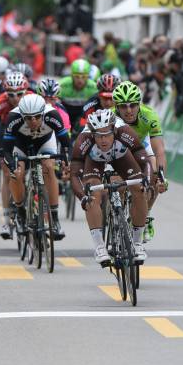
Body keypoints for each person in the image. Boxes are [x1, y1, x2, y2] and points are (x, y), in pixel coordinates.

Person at [70, 109, 150, 264]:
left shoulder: (124, 131)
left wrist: (146, 180)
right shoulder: (84, 139)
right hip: (94, 161)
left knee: (139, 189)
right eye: (99, 136)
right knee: (92, 195)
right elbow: (75, 174)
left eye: (107, 134)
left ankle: (137, 242)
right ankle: (100, 247)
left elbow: (144, 159)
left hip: (121, 157)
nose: (103, 140)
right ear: (92, 134)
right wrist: (83, 197)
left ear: (114, 130)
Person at [2, 94, 70, 239]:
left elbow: (66, 144)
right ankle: (20, 212)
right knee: (17, 173)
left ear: (43, 113)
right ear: (22, 115)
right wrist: (12, 166)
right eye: (28, 118)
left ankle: (55, 218)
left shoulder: (52, 114)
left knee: (49, 167)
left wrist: (66, 161)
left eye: (37, 117)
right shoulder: (13, 117)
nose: (33, 121)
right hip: (21, 144)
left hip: (45, 142)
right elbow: (6, 151)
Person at [111, 80, 167, 242]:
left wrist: (162, 176)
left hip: (142, 145)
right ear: (116, 107)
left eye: (133, 105)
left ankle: (146, 212)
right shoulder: (109, 117)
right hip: (117, 149)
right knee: (118, 185)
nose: (129, 110)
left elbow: (159, 150)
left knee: (154, 176)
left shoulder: (149, 115)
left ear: (139, 104)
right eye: (123, 106)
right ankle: (117, 218)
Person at [0, 72, 33, 239]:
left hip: (29, 134)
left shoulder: (33, 99)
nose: (15, 98)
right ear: (5, 93)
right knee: (8, 174)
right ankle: (7, 219)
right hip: (7, 135)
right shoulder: (0, 103)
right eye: (11, 95)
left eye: (19, 94)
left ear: (26, 91)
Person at [58, 59, 98, 132]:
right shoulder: (62, 85)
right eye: (77, 76)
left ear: (88, 76)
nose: (80, 80)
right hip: (66, 113)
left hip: (82, 114)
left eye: (84, 77)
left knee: (82, 128)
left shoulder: (94, 87)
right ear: (72, 76)